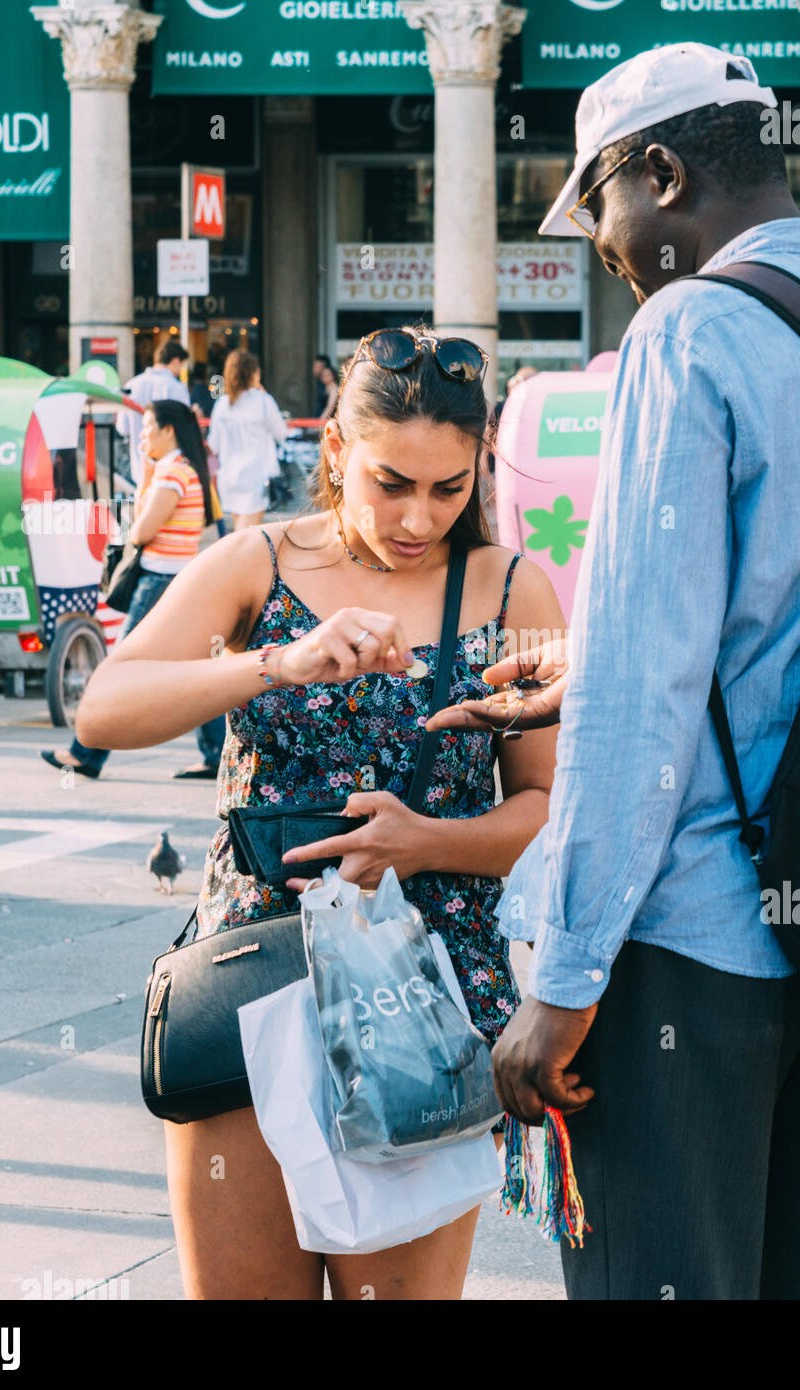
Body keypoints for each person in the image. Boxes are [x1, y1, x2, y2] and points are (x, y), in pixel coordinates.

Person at [428, 43, 800, 1300]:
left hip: (697, 933)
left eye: (600, 208)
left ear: (662, 172)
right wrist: (589, 660)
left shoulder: (687, 332)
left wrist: (563, 985)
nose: (606, 248)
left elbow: (647, 692)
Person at [71, 323, 565, 1299]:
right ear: (337, 451)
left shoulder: (514, 587)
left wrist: (424, 842)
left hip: (426, 1005)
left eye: (447, 487)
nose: (418, 517)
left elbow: (548, 807)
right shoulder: (255, 563)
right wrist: (274, 661)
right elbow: (103, 706)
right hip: (256, 982)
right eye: (391, 482)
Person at [41, 400, 226, 780]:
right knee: (193, 669)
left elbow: (141, 531)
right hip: (177, 578)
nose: (142, 436)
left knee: (119, 671)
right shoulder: (180, 469)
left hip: (158, 580)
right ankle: (215, 755)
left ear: (168, 431)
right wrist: (145, 471)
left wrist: (146, 483)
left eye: (147, 428)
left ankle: (85, 753)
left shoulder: (173, 472)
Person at [207, 350, 287, 529]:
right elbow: (281, 433)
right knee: (245, 537)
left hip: (228, 476)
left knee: (240, 532)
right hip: (256, 477)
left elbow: (214, 445)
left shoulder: (222, 405)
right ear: (253, 373)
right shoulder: (264, 401)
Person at [118, 340, 190, 485]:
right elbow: (185, 427)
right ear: (176, 361)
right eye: (181, 365)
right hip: (169, 469)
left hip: (138, 469)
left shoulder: (132, 384)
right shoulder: (177, 388)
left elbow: (122, 428)